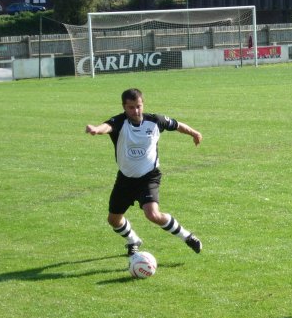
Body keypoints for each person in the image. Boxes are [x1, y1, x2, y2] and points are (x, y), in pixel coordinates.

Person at [85, 88, 203, 257]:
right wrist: (96, 129)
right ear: (124, 107)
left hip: (149, 176)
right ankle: (133, 240)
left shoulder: (155, 121)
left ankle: (188, 237)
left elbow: (177, 125)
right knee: (113, 220)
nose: (136, 111)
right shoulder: (119, 122)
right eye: (131, 107)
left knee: (152, 214)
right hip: (125, 179)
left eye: (138, 106)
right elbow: (107, 126)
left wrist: (194, 133)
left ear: (143, 104)